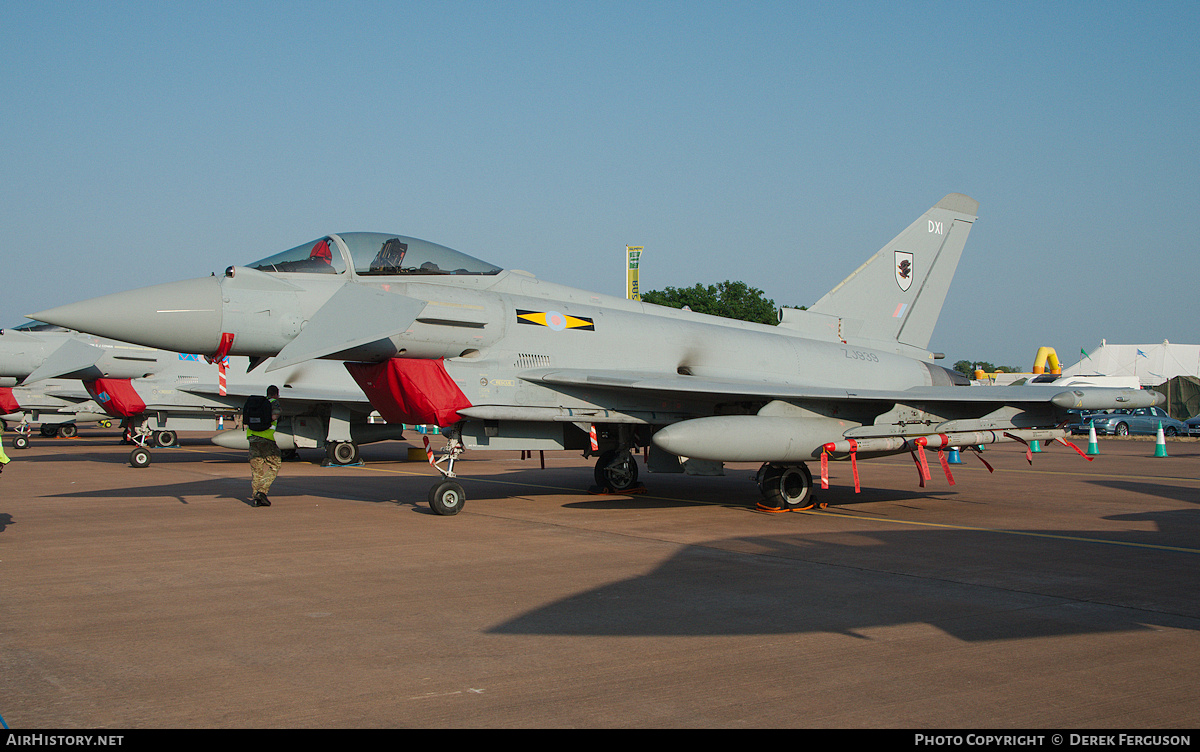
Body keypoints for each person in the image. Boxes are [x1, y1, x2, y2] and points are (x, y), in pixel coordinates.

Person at [245, 385, 282, 507]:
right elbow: (274, 416)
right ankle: (262, 492)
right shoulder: (273, 403)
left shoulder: (257, 403)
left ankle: (256, 498)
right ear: (276, 394)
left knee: (257, 469)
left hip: (252, 438)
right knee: (275, 465)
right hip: (266, 438)